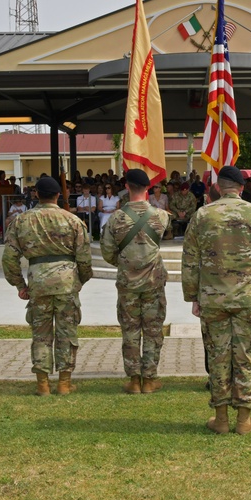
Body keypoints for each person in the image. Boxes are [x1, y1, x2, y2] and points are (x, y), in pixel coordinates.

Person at [182, 165, 251, 435]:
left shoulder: (202, 215)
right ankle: (244, 420)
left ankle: (222, 419)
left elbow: (190, 259)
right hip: (248, 298)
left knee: (217, 357)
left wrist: (193, 296)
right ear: (241, 187)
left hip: (212, 299)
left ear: (218, 186)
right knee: (245, 357)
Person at [2, 176, 93, 396]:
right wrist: (80, 280)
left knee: (41, 334)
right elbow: (84, 258)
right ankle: (64, 382)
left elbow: (9, 258)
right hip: (66, 283)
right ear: (58, 195)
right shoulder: (72, 220)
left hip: (38, 283)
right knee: (66, 333)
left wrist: (20, 285)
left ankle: (42, 384)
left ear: (36, 195)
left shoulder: (21, 221)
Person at [99, 169, 171, 394]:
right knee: (153, 329)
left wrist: (125, 263)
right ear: (148, 188)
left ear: (127, 187)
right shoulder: (161, 216)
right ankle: (149, 379)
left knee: (130, 330)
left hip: (127, 283)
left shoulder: (115, 218)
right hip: (153, 282)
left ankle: (134, 380)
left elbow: (107, 251)